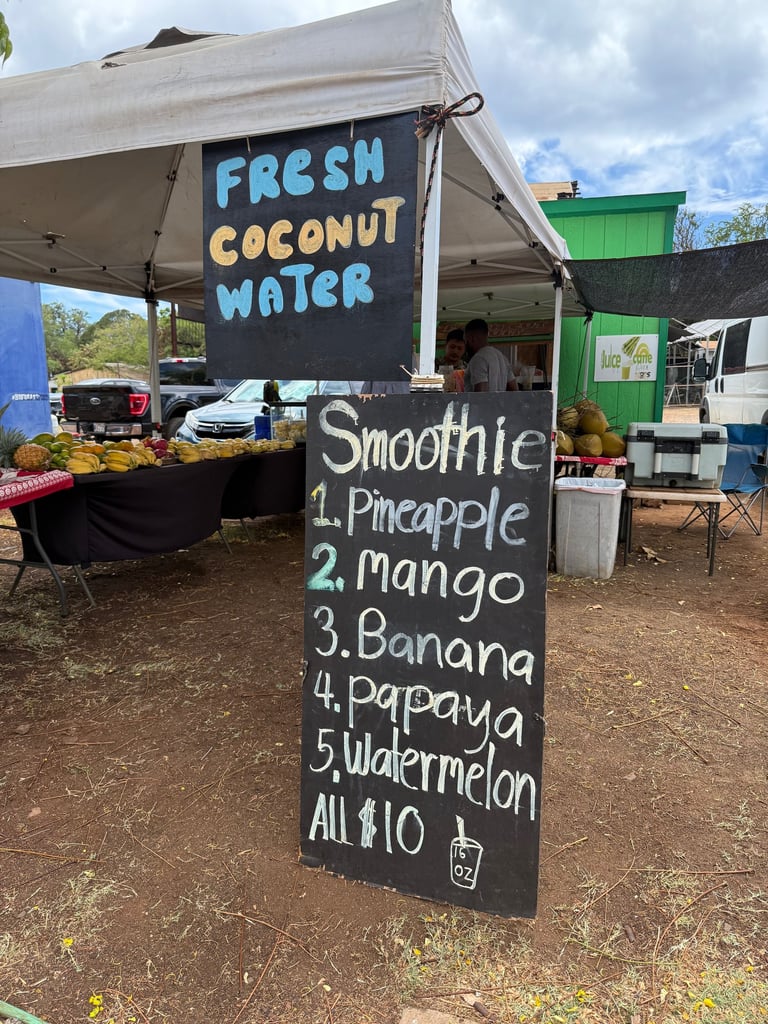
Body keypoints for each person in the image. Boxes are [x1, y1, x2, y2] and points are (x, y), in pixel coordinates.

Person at [463, 318, 518, 392]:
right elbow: (514, 389)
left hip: (483, 403)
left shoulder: (478, 359)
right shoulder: (501, 356)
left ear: (472, 338)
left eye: (466, 340)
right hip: (500, 403)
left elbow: (480, 394)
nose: (465, 345)